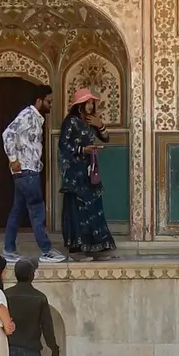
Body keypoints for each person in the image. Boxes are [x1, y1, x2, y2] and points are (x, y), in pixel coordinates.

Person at [2, 86, 66, 264]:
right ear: (39, 100)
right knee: (37, 210)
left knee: (17, 210)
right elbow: (8, 134)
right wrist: (13, 159)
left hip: (29, 170)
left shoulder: (36, 118)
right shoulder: (28, 116)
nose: (50, 105)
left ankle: (8, 249)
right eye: (48, 101)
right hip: (27, 171)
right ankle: (46, 250)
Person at [57, 88, 116, 260]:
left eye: (92, 103)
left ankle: (95, 248)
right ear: (79, 105)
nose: (90, 106)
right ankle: (77, 250)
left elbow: (106, 138)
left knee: (93, 207)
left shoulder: (91, 122)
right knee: (78, 209)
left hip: (90, 171)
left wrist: (100, 125)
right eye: (87, 103)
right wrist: (83, 149)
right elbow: (63, 146)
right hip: (75, 173)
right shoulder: (71, 121)